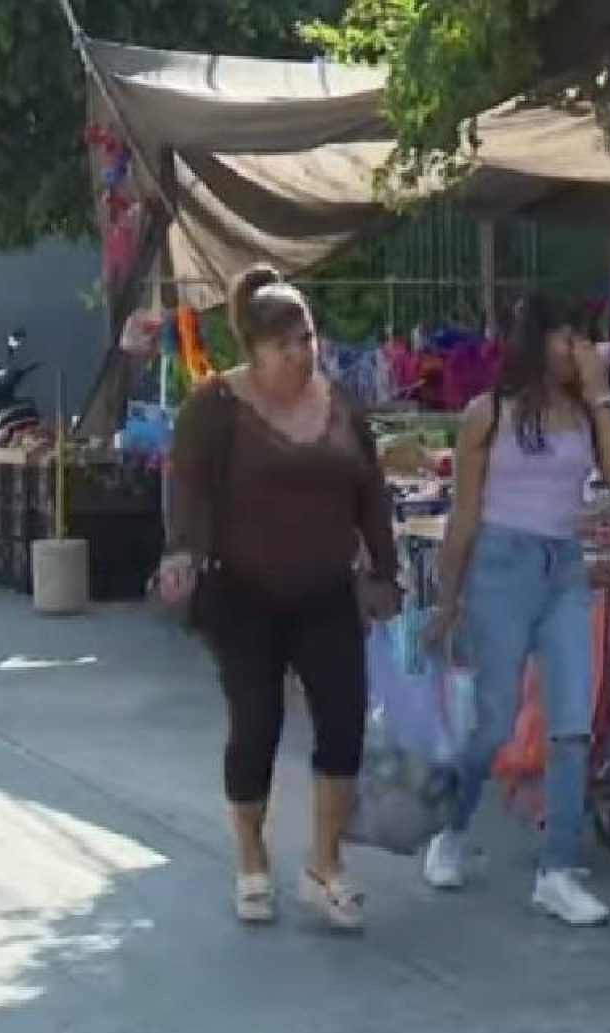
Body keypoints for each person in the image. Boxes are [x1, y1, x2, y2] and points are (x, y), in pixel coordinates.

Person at [158, 265, 402, 931]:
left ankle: (325, 864)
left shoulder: (341, 406)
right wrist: (181, 552)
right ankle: (251, 855)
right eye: (283, 344)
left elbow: (370, 494)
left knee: (343, 720)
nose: (299, 353)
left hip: (327, 590)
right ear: (254, 349)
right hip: (243, 593)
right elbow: (188, 489)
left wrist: (384, 570)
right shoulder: (214, 407)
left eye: (306, 338)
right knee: (256, 721)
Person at [421, 296, 610, 927]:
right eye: (569, 335)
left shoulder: (587, 412)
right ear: (538, 341)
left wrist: (601, 394)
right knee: (494, 722)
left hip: (563, 566)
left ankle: (558, 870)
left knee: (572, 723)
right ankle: (453, 830)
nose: (580, 349)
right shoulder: (487, 415)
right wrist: (447, 602)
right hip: (499, 566)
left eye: (584, 338)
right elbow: (463, 515)